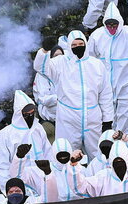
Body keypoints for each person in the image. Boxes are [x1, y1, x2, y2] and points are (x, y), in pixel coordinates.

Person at [48, 30, 114, 160]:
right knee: (67, 154)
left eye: (80, 43)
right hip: (68, 118)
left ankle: (97, 178)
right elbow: (41, 67)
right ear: (69, 47)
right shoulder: (61, 63)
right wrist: (44, 51)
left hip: (92, 117)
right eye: (74, 45)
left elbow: (105, 93)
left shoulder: (96, 64)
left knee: (97, 154)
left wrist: (107, 120)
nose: (78, 47)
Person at [89, 4, 128, 144]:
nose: (112, 26)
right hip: (106, 86)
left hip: (127, 83)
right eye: (109, 24)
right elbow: (89, 58)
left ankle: (120, 145)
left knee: (123, 116)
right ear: (104, 23)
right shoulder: (97, 35)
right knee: (110, 118)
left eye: (115, 23)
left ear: (120, 22)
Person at [0, 91, 51, 193]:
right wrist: (9, 192)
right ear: (18, 114)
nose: (30, 116)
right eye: (26, 114)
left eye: (32, 113)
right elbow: (2, 167)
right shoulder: (4, 135)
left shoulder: (38, 129)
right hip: (20, 184)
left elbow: (48, 154)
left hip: (43, 180)